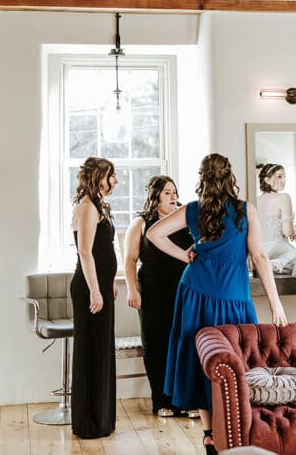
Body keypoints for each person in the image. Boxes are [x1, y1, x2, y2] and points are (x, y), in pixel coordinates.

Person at [148, 153, 288, 455]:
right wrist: (276, 304)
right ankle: (235, 431)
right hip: (232, 293)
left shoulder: (193, 209)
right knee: (236, 359)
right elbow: (260, 257)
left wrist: (184, 254)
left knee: (200, 358)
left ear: (203, 178)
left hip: (195, 289)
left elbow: (154, 233)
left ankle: (210, 434)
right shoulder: (243, 210)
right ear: (230, 176)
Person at [123, 175, 198, 418]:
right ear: (155, 196)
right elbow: (129, 260)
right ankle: (162, 401)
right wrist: (132, 290)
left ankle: (186, 400)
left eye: (174, 191)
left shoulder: (185, 221)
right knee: (157, 345)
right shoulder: (141, 223)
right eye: (167, 192)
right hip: (153, 291)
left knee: (185, 342)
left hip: (183, 289)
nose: (173, 196)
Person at [69, 157, 119, 439]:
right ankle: (89, 423)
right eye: (112, 176)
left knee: (103, 351)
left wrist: (107, 283)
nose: (115, 181)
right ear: (100, 177)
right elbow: (85, 253)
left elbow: (103, 249)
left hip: (100, 286)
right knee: (91, 351)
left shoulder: (98, 205)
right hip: (89, 289)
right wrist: (96, 290)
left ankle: (102, 420)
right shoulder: (87, 207)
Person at [256, 163, 296, 274]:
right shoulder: (284, 198)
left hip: (260, 254)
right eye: (279, 176)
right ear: (267, 180)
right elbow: (288, 232)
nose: (283, 180)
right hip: (278, 252)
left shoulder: (256, 200)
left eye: (284, 177)